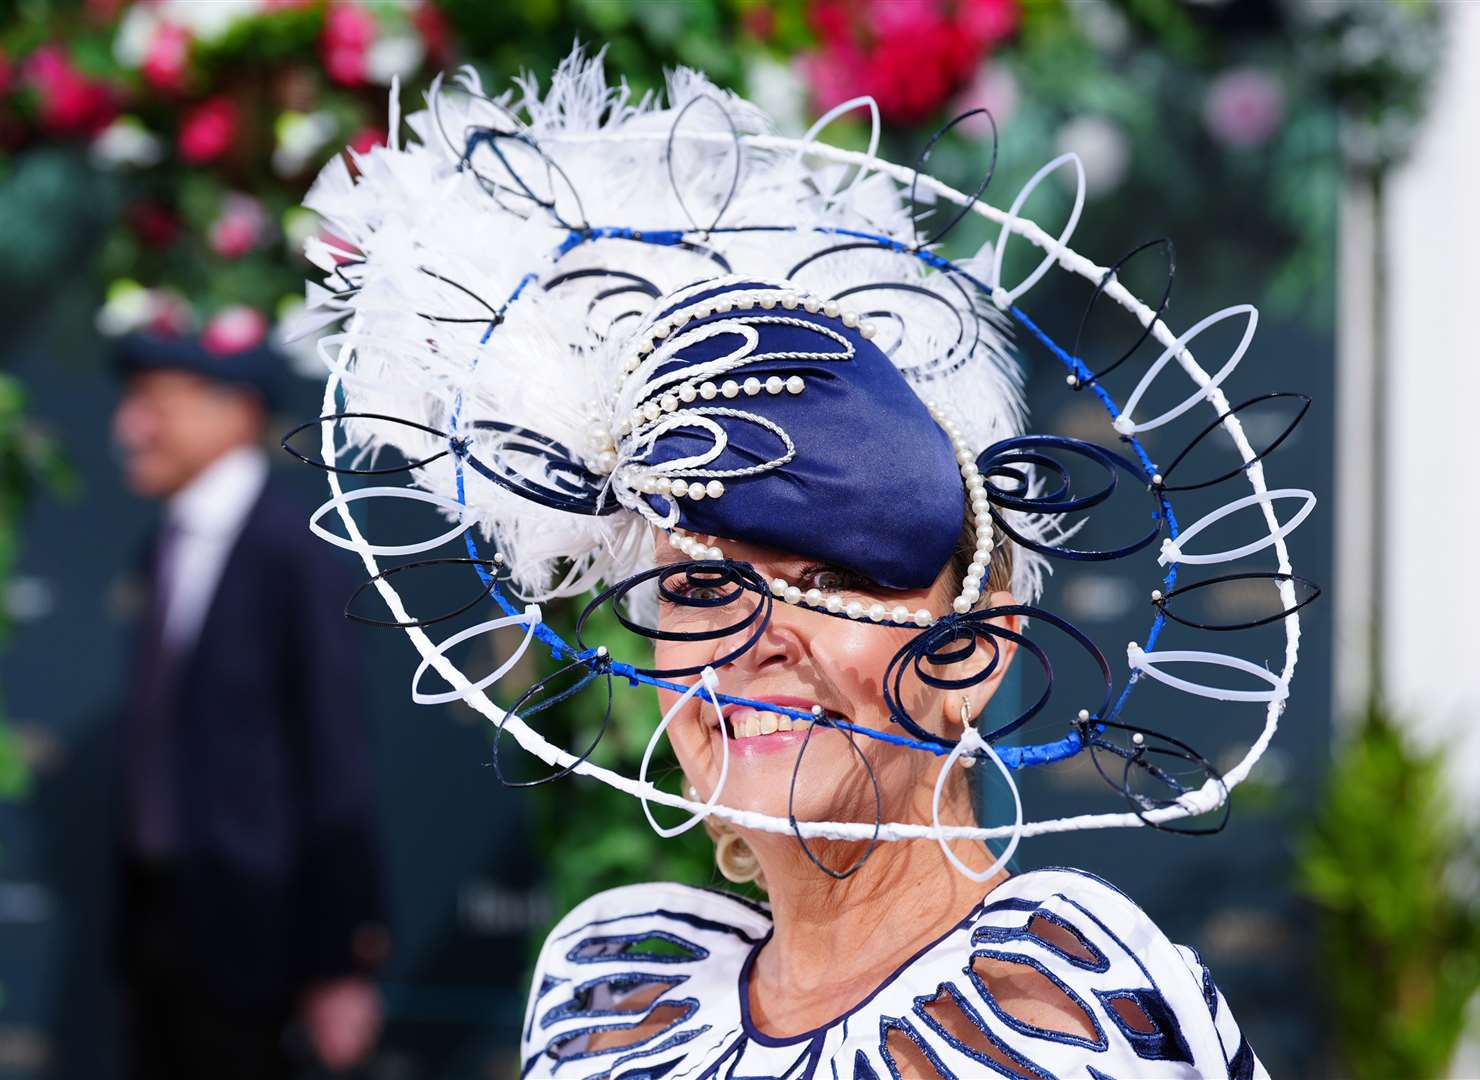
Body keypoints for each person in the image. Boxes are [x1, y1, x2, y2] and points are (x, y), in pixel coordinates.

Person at [290, 49, 1311, 1078]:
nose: (754, 640)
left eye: (827, 579)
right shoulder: (611, 1013)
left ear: (979, 649)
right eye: (697, 586)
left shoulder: (1056, 1021)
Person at [110, 330, 386, 1079]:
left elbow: (335, 757)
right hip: (158, 930)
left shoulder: (293, 554)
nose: (127, 428)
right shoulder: (161, 546)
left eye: (151, 403)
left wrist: (338, 963)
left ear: (234, 410)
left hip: (259, 948)